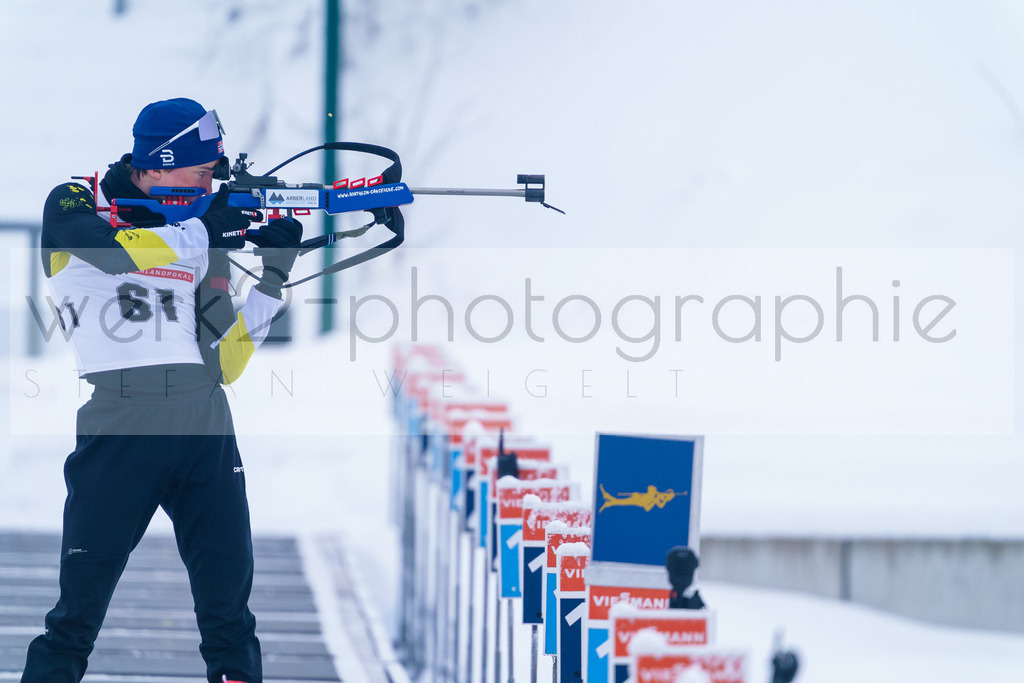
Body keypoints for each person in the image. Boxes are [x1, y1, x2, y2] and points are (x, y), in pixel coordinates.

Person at [21, 97, 302, 683]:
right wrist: (201, 230)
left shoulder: (200, 233)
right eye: (202, 169)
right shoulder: (79, 200)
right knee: (75, 620)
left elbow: (225, 361)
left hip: (205, 423)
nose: (211, 181)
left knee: (230, 620)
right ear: (162, 161)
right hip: (122, 420)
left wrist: (274, 275)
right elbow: (105, 251)